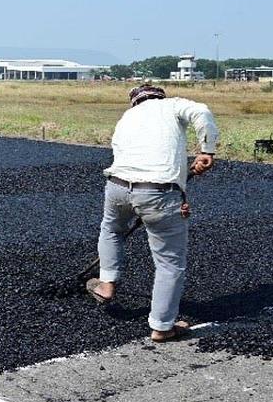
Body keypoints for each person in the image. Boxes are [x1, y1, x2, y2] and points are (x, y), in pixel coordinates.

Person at [87, 84, 219, 343]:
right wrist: (207, 150)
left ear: (134, 101)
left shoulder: (127, 118)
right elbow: (201, 112)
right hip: (159, 193)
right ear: (160, 96)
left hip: (117, 187)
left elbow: (140, 157)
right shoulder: (172, 105)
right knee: (169, 262)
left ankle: (106, 283)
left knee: (111, 230)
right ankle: (162, 326)